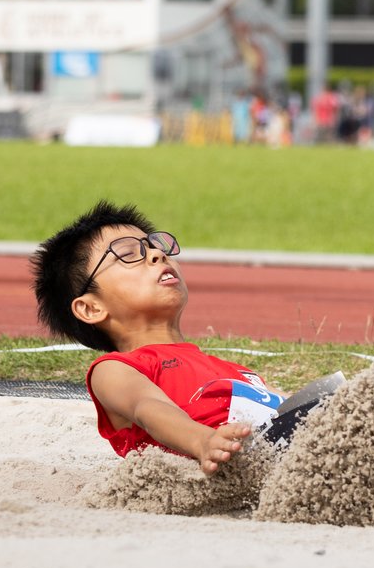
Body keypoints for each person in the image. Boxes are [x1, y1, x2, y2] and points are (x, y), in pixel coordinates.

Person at [31, 200, 330, 470]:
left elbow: (286, 411)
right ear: (91, 308)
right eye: (127, 254)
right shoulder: (115, 369)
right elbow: (148, 408)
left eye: (155, 245)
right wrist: (202, 441)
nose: (158, 254)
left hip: (299, 451)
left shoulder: (233, 372)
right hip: (255, 466)